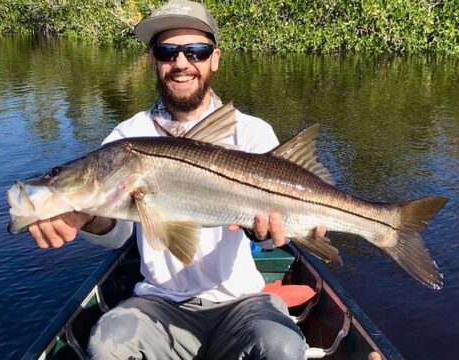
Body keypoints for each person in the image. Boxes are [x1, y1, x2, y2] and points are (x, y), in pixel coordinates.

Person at [28, 1, 326, 359]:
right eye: (167, 51)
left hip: (241, 302)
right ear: (154, 60)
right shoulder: (128, 136)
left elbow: (279, 227)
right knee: (107, 342)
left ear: (215, 58)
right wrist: (84, 214)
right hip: (158, 305)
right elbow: (118, 234)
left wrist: (273, 232)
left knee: (282, 345)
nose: (181, 63)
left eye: (196, 51)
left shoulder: (251, 131)